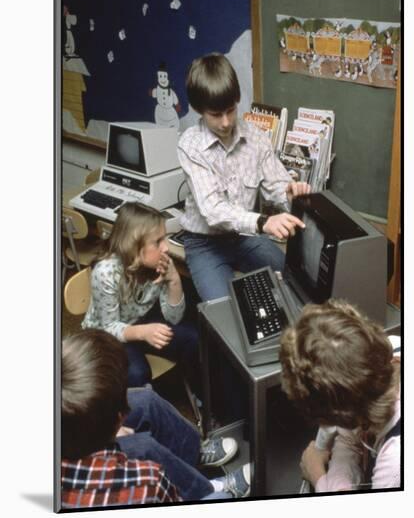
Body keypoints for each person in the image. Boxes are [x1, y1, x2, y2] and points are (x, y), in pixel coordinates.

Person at [61, 330, 251, 509]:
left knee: (144, 401)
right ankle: (205, 491)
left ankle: (193, 453)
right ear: (119, 419)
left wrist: (104, 433)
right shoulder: (148, 483)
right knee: (143, 446)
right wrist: (109, 436)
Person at [177, 52, 311, 302]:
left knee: (296, 282)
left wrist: (289, 195)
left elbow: (277, 185)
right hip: (204, 244)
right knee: (226, 313)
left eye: (231, 110)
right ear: (199, 109)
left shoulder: (257, 137)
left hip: (244, 238)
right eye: (216, 114)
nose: (226, 122)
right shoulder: (190, 145)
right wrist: (263, 223)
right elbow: (213, 210)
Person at [279, 299, 401, 492]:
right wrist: (337, 485)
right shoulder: (381, 358)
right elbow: (348, 440)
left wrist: (317, 475)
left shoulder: (397, 461)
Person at [82, 201, 199, 389]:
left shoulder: (158, 263)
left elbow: (174, 318)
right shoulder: (106, 271)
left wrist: (174, 280)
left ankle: (202, 400)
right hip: (106, 335)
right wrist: (143, 332)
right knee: (137, 373)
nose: (166, 248)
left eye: (165, 238)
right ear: (134, 245)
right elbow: (109, 326)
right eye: (158, 242)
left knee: (194, 338)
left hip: (138, 320)